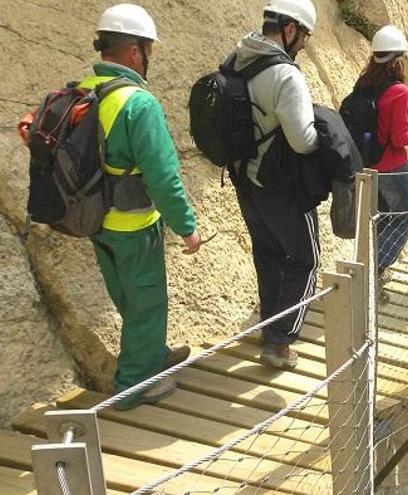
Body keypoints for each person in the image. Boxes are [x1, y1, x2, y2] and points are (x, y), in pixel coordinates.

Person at [87, 4, 202, 410]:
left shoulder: (83, 91)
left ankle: (151, 354)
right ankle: (133, 386)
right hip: (134, 224)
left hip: (95, 221)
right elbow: (162, 175)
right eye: (148, 49)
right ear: (135, 51)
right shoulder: (139, 104)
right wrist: (186, 226)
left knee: (128, 299)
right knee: (147, 302)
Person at [229, 0, 320, 369]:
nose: (304, 45)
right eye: (305, 37)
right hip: (280, 186)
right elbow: (302, 141)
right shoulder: (286, 75)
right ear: (290, 29)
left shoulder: (236, 57)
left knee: (267, 256)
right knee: (307, 260)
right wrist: (322, 135)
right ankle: (280, 343)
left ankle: (271, 330)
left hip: (244, 181)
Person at [351, 25, 408, 303]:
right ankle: (373, 274)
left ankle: (369, 274)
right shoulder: (400, 91)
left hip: (368, 165)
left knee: (379, 221)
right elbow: (399, 137)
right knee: (402, 218)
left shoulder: (364, 83)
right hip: (391, 166)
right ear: (398, 59)